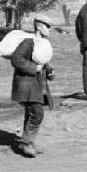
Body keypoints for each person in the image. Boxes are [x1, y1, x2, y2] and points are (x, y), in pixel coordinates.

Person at [10, 14, 55, 157]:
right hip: (26, 83)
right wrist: (32, 68)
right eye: (48, 26)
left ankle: (27, 142)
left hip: (36, 84)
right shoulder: (28, 42)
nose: (49, 29)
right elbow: (16, 59)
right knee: (37, 113)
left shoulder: (42, 42)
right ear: (39, 26)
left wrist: (49, 71)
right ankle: (26, 143)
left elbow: (42, 62)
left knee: (32, 113)